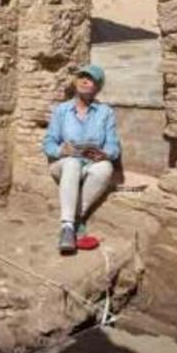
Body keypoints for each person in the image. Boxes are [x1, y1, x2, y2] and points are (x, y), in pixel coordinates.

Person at [42, 65, 121, 254]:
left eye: (91, 78)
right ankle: (68, 227)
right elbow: (48, 142)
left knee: (105, 168)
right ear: (75, 82)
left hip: (90, 165)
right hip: (63, 164)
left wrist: (105, 154)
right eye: (82, 77)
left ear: (98, 87)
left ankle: (76, 216)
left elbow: (113, 145)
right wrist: (61, 150)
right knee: (72, 163)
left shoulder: (105, 112)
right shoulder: (62, 110)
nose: (85, 81)